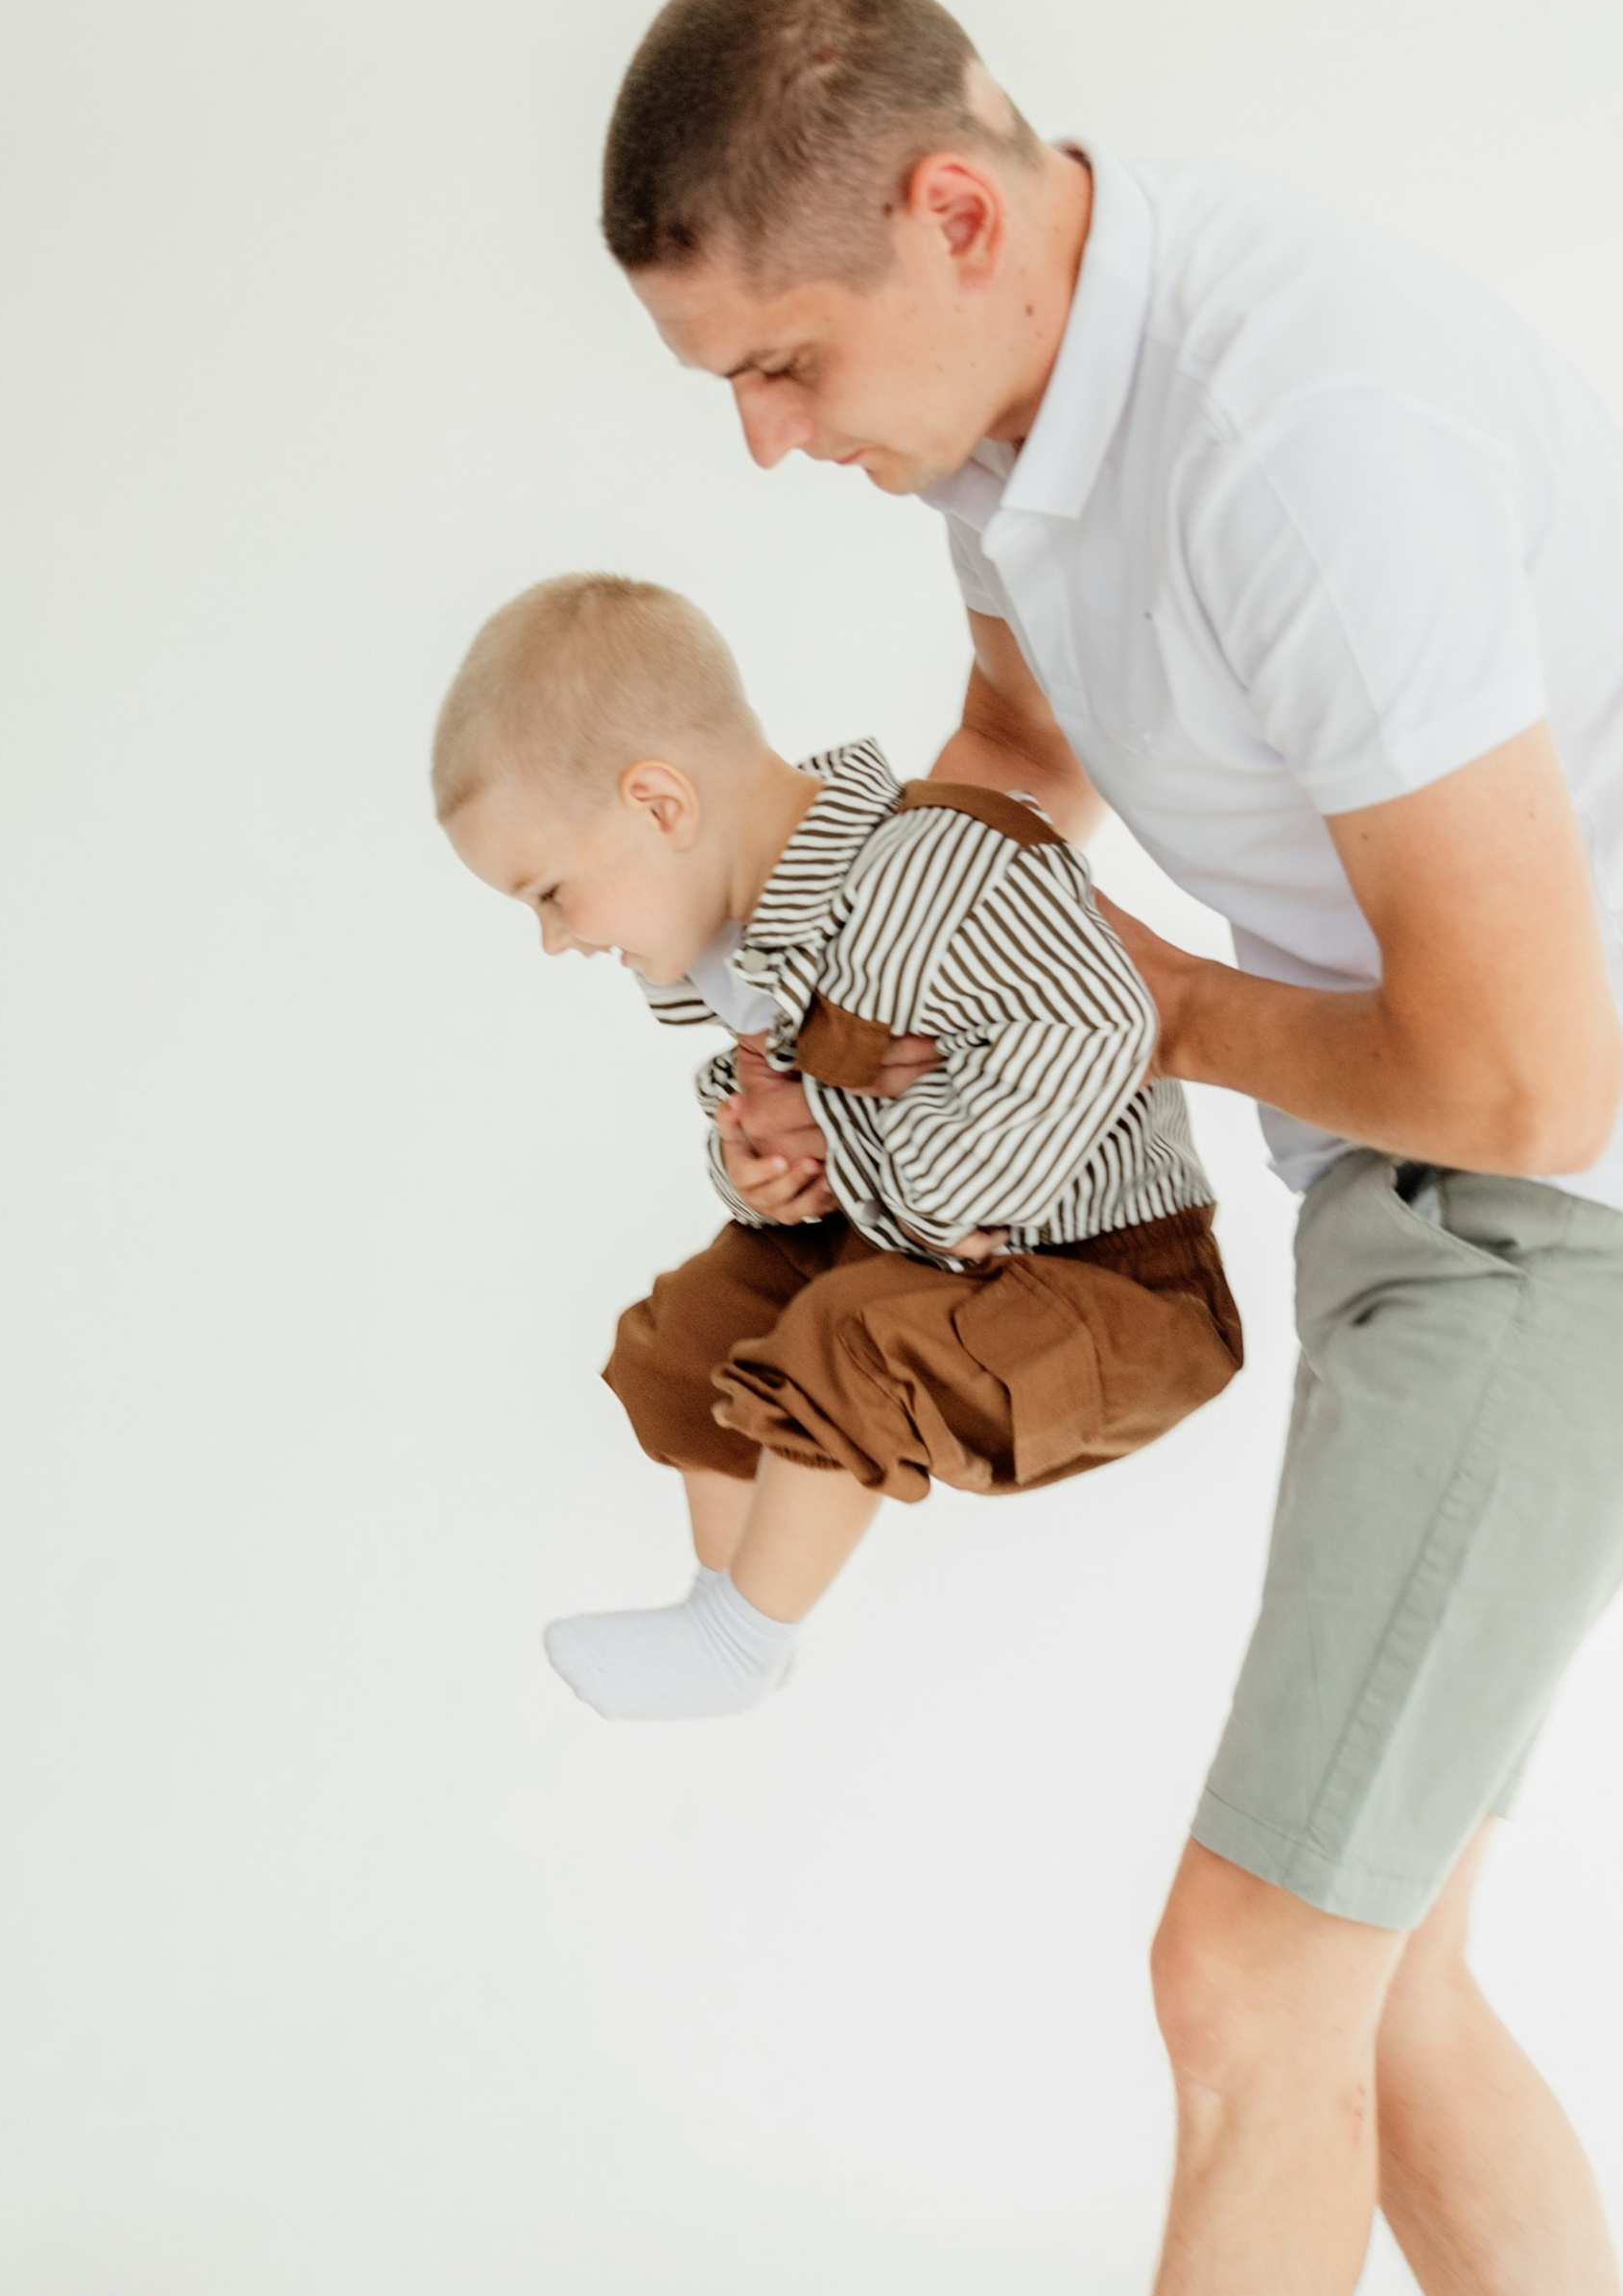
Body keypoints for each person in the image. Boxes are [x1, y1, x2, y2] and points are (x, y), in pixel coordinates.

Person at [596, 0, 1623, 2296]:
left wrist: (1139, 1008)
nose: (762, 440)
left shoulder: (1312, 445)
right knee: (1377, 1980)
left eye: (776, 362)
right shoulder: (1010, 418)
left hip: (1584, 1211)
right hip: (1429, 1191)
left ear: (959, 215)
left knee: (1247, 1972)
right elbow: (1020, 763)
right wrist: (863, 1028)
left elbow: (1526, 1077)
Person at [434, 571, 1243, 1718]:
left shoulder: (935, 872)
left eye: (553, 894)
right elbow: (777, 1105)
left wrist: (896, 1171)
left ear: (660, 805)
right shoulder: (742, 939)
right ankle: (724, 1608)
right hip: (931, 1250)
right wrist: (765, 1173)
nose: (555, 940)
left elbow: (1103, 1018)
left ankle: (736, 1638)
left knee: (844, 1342)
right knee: (691, 1335)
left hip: (1108, 1285)